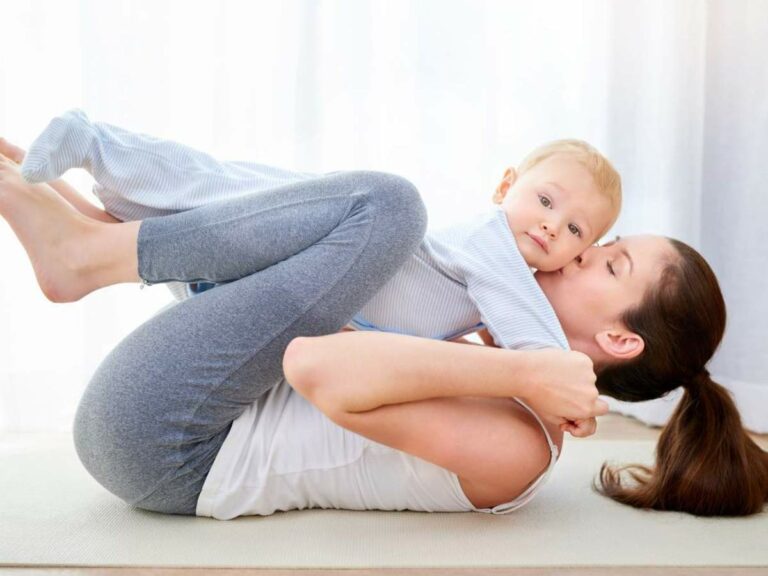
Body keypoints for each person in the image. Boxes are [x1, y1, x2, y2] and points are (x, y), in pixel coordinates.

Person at [1, 122, 766, 519]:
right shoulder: (472, 333)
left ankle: (92, 250)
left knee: (391, 208)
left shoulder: (525, 446)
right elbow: (296, 317)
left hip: (166, 445)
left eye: (606, 259)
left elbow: (311, 363)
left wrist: (525, 367)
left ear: (619, 342)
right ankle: (88, 225)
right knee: (354, 215)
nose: (574, 250)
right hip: (176, 406)